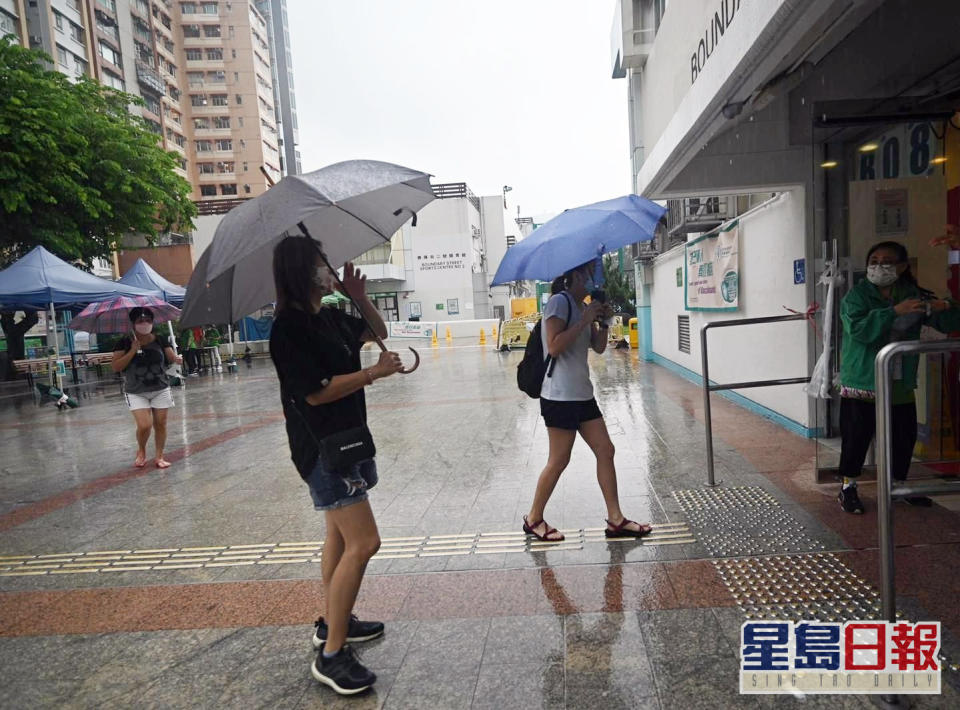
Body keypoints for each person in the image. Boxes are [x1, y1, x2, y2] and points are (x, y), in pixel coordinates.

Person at [269, 235, 403, 696]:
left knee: (338, 536)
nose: (331, 268)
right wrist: (372, 374)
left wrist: (361, 298)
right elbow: (316, 391)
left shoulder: (327, 316)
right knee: (365, 543)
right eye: (323, 261)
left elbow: (377, 331)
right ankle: (331, 657)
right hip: (322, 446)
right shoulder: (288, 327)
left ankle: (333, 623)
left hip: (348, 439)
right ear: (305, 271)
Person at [522, 260, 652, 542]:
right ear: (577, 274)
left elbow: (599, 346)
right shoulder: (559, 302)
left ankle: (616, 520)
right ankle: (534, 519)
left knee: (605, 450)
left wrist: (602, 320)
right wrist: (583, 320)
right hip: (559, 396)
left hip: (582, 393)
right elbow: (554, 346)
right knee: (559, 460)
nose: (596, 278)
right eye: (592, 272)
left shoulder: (582, 306)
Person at [837, 240, 960, 514]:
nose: (879, 266)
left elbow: (950, 322)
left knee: (903, 436)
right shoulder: (856, 297)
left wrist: (944, 306)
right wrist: (893, 312)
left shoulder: (912, 294)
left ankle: (900, 485)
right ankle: (848, 487)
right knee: (857, 436)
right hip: (862, 380)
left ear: (902, 266)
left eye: (887, 261)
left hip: (899, 382)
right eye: (874, 261)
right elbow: (859, 330)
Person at [112, 307, 182, 469]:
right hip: (136, 391)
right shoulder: (124, 342)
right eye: (140, 321)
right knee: (144, 425)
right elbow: (116, 367)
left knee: (160, 423)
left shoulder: (159, 339)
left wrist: (177, 360)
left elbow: (171, 358)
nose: (145, 324)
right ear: (133, 323)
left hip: (161, 388)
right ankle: (141, 450)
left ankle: (159, 456)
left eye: (148, 321)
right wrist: (132, 351)